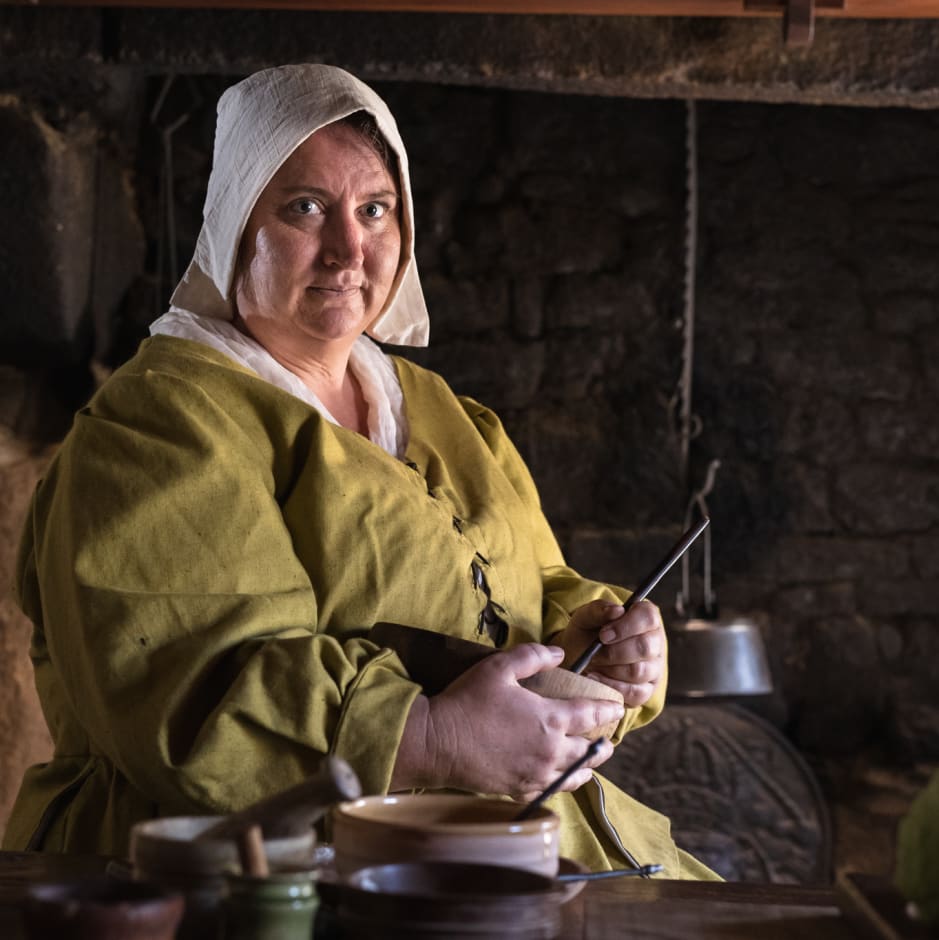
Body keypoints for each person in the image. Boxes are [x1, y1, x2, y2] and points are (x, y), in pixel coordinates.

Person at [4, 64, 717, 879]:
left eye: (375, 210)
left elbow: (533, 581)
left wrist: (595, 645)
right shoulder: (158, 427)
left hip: (502, 844)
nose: (349, 249)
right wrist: (433, 737)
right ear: (239, 223)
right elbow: (188, 683)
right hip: (265, 871)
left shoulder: (440, 409)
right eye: (305, 208)